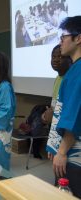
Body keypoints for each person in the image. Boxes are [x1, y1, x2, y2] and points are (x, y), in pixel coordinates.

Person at [46, 16, 81, 198]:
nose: (60, 42)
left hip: (73, 155)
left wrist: (60, 152)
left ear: (78, 38)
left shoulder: (78, 71)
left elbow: (73, 117)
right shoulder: (73, 70)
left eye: (63, 37)